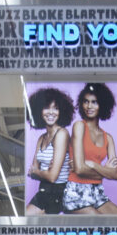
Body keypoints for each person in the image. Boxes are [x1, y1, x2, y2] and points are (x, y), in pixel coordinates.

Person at [63, 84, 117, 215]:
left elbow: (116, 175)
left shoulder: (108, 138)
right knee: (98, 221)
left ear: (102, 105)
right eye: (86, 101)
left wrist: (92, 165)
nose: (89, 106)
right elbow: (79, 169)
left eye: (94, 102)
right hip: (76, 193)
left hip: (97, 193)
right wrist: (105, 171)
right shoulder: (79, 126)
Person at [25, 87, 73, 215]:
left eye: (56, 108)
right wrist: (42, 172)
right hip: (44, 190)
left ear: (61, 111)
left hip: (59, 192)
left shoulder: (62, 134)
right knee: (25, 219)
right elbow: (31, 172)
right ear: (39, 110)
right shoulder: (41, 138)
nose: (51, 112)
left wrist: (38, 172)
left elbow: (52, 177)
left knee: (31, 221)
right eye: (47, 107)